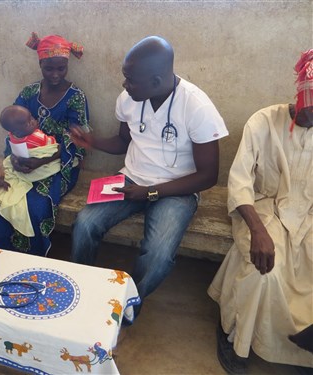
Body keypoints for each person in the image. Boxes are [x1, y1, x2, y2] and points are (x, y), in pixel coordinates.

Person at [70, 36, 228, 309]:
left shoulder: (197, 107)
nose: (124, 85)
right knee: (85, 224)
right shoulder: (129, 99)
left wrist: (151, 192)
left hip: (178, 190)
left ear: (156, 82)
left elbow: (208, 176)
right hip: (131, 180)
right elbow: (123, 141)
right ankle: (79, 287)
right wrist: (93, 141)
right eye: (125, 77)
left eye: (131, 80)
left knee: (158, 254)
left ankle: (130, 303)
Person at [208, 49, 313, 373]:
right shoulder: (265, 120)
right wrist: (257, 230)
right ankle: (233, 337)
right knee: (263, 269)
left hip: (308, 214)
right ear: (301, 93)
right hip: (261, 207)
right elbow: (239, 181)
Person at [0, 32, 90, 256]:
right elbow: (12, 129)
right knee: (1, 202)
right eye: (49, 68)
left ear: (67, 66)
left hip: (60, 164)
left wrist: (42, 159)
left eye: (61, 68)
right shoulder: (28, 93)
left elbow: (78, 140)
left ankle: (32, 257)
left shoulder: (75, 97)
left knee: (35, 206)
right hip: (23, 158)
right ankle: (4, 257)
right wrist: (15, 157)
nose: (55, 74)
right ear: (40, 64)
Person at [0, 105, 62, 242]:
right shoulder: (37, 137)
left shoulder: (13, 135)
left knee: (34, 208)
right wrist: (15, 159)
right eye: (29, 121)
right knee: (4, 205)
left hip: (38, 164)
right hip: (37, 169)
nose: (35, 121)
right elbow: (53, 145)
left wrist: (38, 161)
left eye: (32, 117)